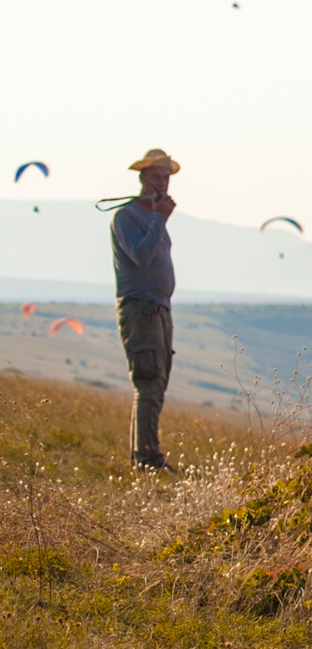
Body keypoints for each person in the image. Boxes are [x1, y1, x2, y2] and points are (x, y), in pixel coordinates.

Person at [110, 149, 180, 470]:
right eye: (156, 177)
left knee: (157, 382)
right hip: (140, 308)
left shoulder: (154, 218)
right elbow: (140, 256)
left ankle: (144, 456)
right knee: (148, 381)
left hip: (159, 308)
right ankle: (147, 460)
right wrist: (159, 218)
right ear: (141, 178)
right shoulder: (127, 217)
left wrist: (158, 219)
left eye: (165, 178)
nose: (162, 184)